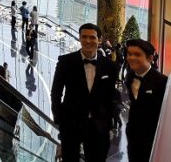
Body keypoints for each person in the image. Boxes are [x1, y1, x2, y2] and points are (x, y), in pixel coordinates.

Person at [51, 23, 117, 162]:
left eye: (92, 37)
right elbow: (56, 92)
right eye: (84, 37)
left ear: (99, 40)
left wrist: (108, 122)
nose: (88, 41)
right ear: (79, 38)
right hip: (71, 124)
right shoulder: (65, 61)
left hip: (98, 126)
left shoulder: (110, 66)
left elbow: (111, 96)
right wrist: (59, 118)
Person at [124, 38, 168, 162]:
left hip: (153, 137)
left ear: (150, 58)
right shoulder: (130, 76)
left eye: (137, 54)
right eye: (129, 54)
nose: (131, 58)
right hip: (133, 134)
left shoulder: (163, 82)